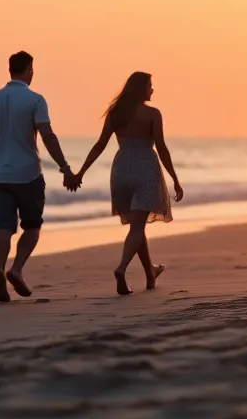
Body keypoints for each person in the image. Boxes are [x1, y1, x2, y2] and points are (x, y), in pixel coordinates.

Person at [0, 51, 78, 302]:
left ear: (9, 69)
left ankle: (0, 269)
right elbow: (47, 135)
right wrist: (64, 167)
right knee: (32, 227)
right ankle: (17, 269)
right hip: (28, 175)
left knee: (3, 227)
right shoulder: (35, 100)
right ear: (29, 70)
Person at [74, 71, 183, 295]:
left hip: (121, 168)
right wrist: (174, 178)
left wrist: (81, 172)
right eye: (150, 86)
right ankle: (121, 269)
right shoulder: (153, 114)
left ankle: (150, 272)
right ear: (140, 88)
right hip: (144, 168)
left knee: (137, 225)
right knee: (137, 226)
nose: (152, 90)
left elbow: (100, 145)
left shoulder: (116, 113)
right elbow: (161, 147)